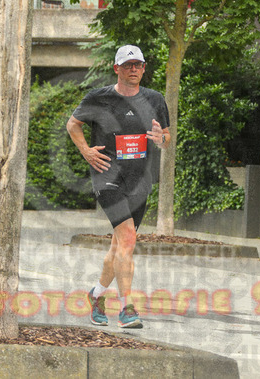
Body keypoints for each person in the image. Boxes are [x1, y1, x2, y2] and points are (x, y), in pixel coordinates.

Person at [67, 45, 170, 328]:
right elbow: (73, 124)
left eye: (138, 65)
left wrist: (161, 139)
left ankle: (96, 295)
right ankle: (127, 309)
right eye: (127, 65)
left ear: (144, 68)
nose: (133, 69)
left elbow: (166, 137)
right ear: (117, 69)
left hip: (140, 180)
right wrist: (86, 151)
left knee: (119, 246)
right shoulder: (99, 97)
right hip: (107, 177)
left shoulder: (155, 99)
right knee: (126, 240)